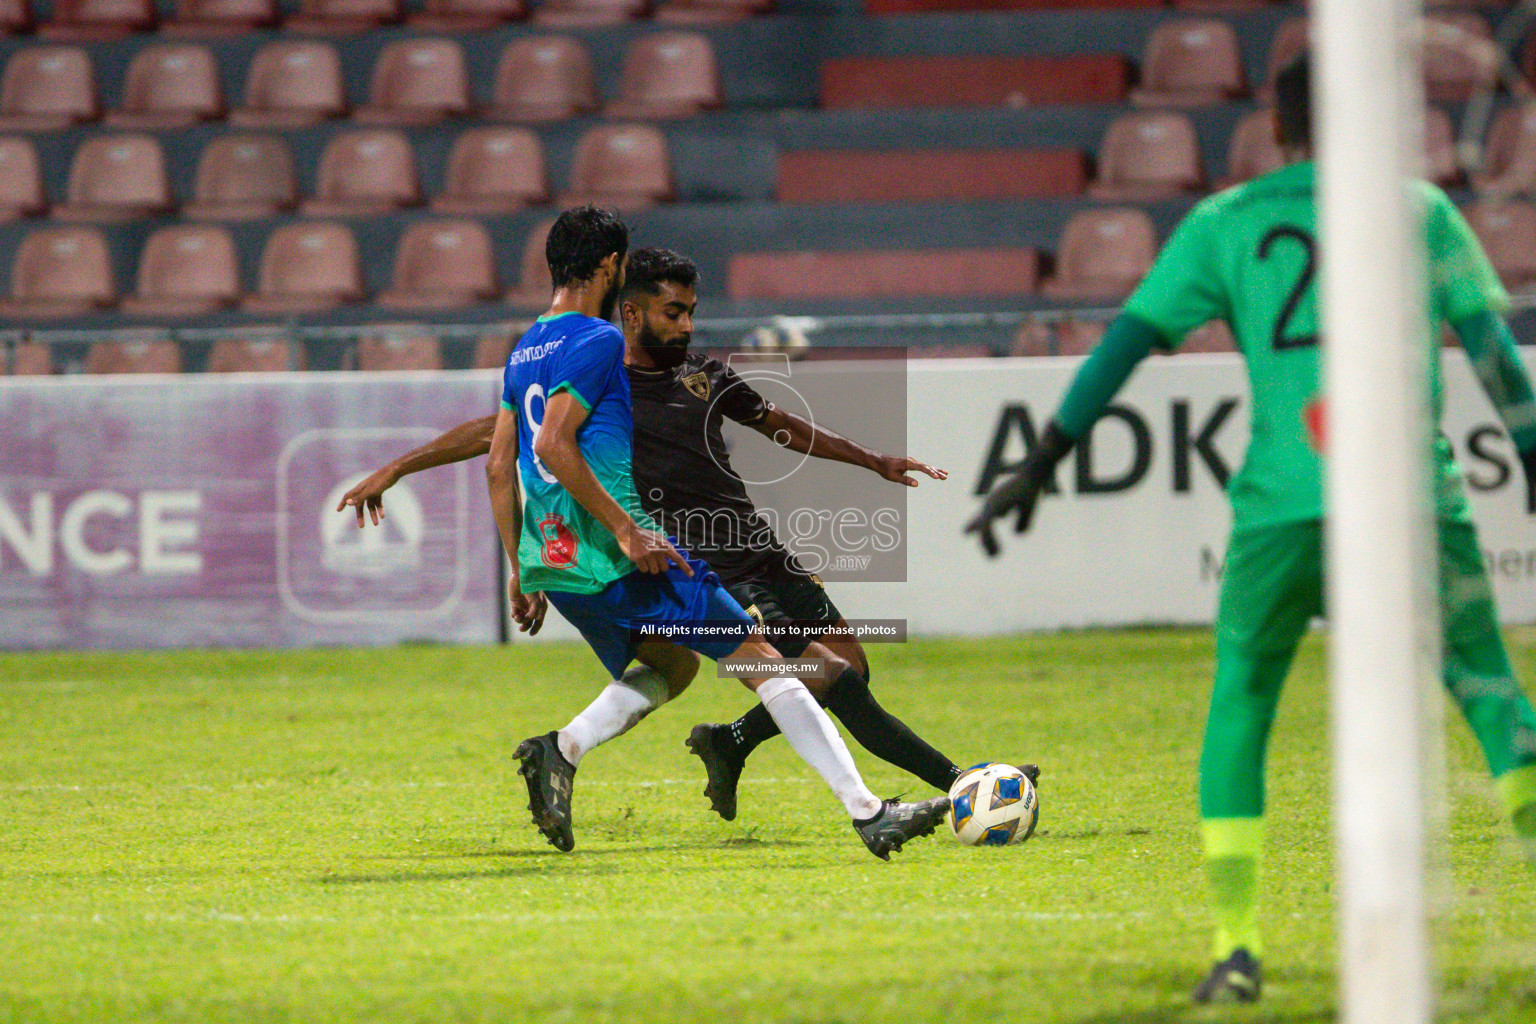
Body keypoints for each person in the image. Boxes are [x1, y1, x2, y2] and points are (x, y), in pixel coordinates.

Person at [965, 56, 1536, 1005]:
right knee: (1489, 693)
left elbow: (1127, 345)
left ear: (1276, 127)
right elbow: (1494, 357)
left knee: (1243, 703)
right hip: (1411, 501)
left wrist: (1037, 468)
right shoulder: (1419, 213)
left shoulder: (1225, 223)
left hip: (1283, 508)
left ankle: (1237, 945)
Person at [340, 246, 1032, 821]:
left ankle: (728, 744)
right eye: (673, 312)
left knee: (851, 660)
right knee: (838, 682)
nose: (686, 325)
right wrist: (398, 467)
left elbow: (780, 427)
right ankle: (963, 786)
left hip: (761, 548)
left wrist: (870, 459)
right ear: (632, 310)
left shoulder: (707, 375)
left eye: (692, 312)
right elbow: (492, 433)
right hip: (700, 563)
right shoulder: (600, 380)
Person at [473, 206, 950, 859]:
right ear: (611, 266)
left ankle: (561, 750)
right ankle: (871, 812)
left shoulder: (525, 347)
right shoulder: (600, 341)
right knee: (767, 663)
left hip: (557, 562)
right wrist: (626, 529)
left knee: (670, 667)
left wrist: (519, 566)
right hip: (624, 551)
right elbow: (555, 444)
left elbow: (502, 463)